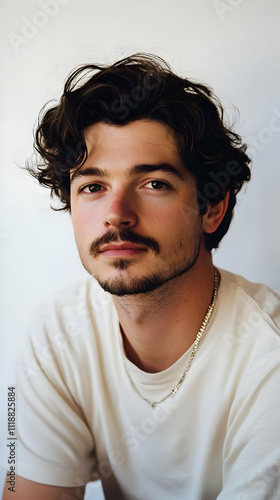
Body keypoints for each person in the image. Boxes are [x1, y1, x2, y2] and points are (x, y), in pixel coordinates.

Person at [3, 54, 280, 500]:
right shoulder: (55, 334)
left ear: (212, 207)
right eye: (93, 187)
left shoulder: (269, 357)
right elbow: (23, 489)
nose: (116, 215)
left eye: (154, 183)